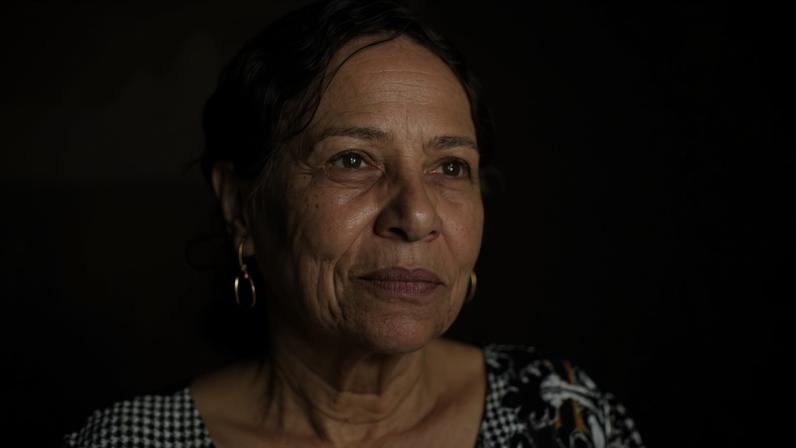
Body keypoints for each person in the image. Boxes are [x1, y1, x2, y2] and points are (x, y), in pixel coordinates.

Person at [62, 1, 644, 446]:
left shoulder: (562, 416)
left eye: (449, 166)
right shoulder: (131, 440)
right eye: (352, 160)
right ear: (241, 205)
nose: (416, 216)